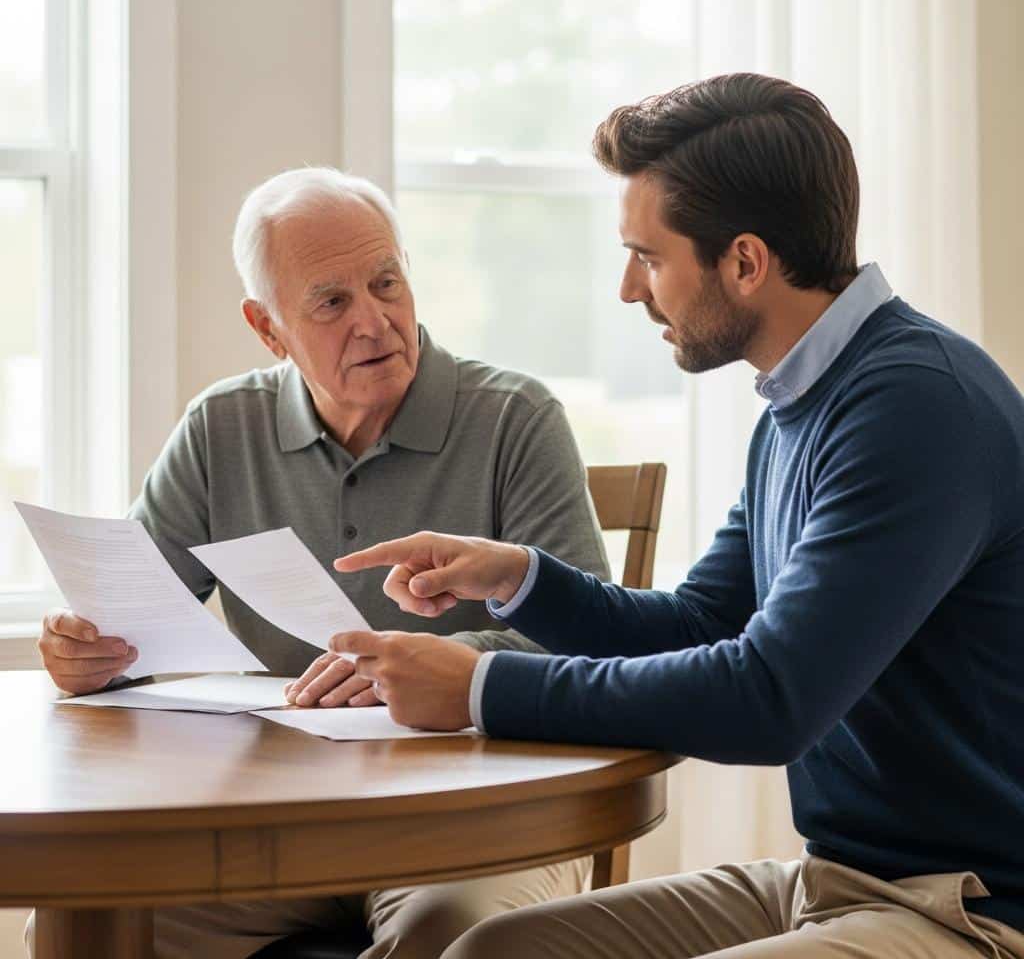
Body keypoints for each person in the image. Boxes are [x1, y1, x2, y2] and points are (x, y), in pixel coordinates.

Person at [331, 74, 1024, 959]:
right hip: (838, 881)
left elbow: (769, 699)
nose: (630, 289)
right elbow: (700, 623)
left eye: (649, 257)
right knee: (489, 952)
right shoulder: (801, 402)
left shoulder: (916, 407)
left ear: (744, 261)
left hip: (969, 910)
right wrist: (517, 577)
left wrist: (474, 690)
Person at [32, 167, 609, 959]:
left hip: (476, 814)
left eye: (386, 283)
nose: (374, 322)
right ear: (268, 329)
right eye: (333, 302)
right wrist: (87, 652)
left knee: (449, 933)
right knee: (79, 923)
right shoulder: (220, 429)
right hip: (278, 819)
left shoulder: (517, 419)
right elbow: (133, 622)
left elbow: (594, 643)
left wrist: (439, 667)